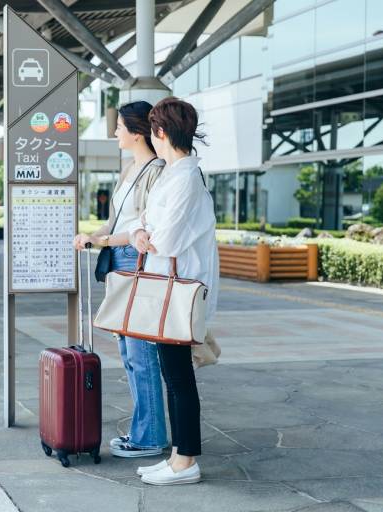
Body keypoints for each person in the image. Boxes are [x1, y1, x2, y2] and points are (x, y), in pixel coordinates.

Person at [129, 97, 219, 485]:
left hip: (177, 292)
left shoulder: (184, 177)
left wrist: (145, 234)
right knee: (173, 374)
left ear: (160, 131)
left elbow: (165, 239)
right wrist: (139, 232)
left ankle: (186, 461)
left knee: (179, 378)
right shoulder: (173, 173)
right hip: (168, 289)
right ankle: (178, 457)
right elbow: (144, 222)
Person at [73, 101, 168, 458]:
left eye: (119, 127)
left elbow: (143, 227)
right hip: (120, 261)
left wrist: (101, 240)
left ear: (137, 131)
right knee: (129, 352)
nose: (115, 133)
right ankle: (142, 431)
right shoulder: (129, 168)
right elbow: (115, 223)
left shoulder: (157, 170)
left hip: (137, 261)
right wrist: (91, 235)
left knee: (141, 353)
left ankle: (152, 436)